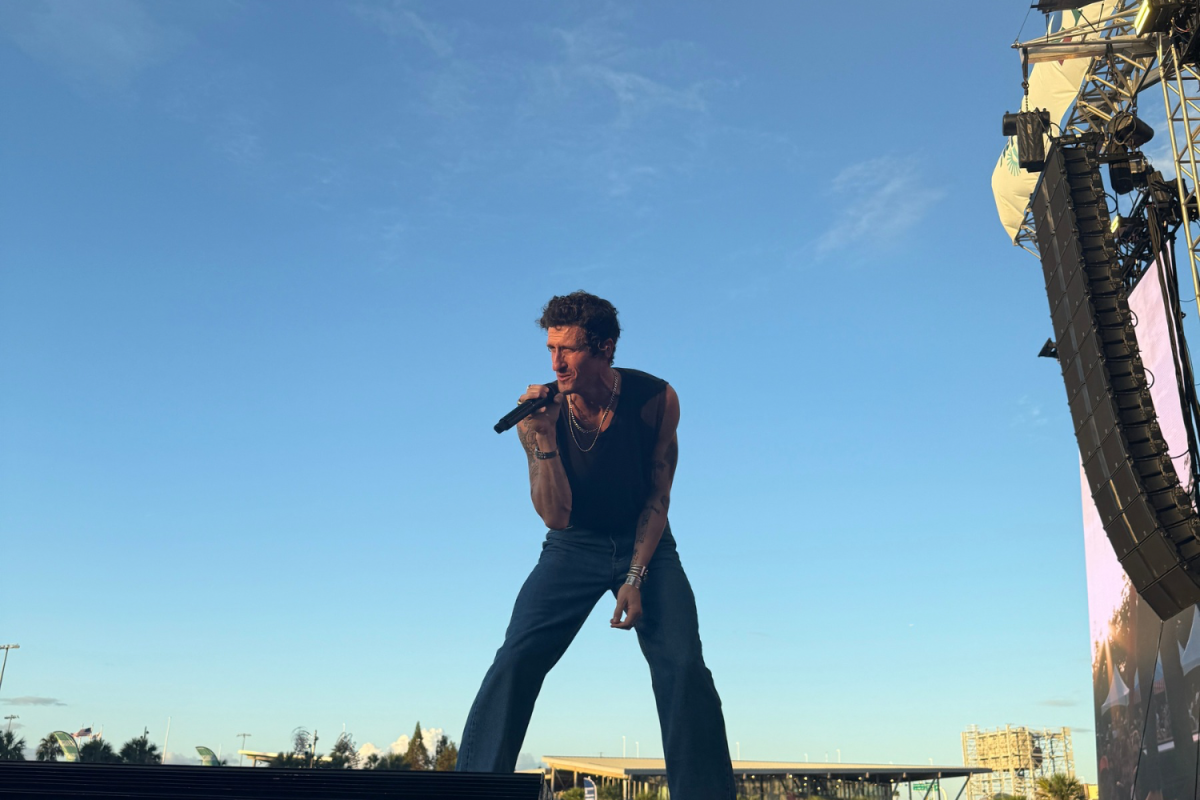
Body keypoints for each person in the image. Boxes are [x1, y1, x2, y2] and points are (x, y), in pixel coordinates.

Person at [457, 291, 736, 798]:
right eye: (549, 349)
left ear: (605, 348)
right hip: (573, 545)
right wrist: (540, 436)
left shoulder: (657, 399)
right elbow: (556, 516)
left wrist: (635, 577)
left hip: (645, 540)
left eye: (569, 350)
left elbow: (659, 493)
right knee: (516, 658)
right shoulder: (540, 412)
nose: (556, 362)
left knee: (684, 665)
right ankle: (472, 791)